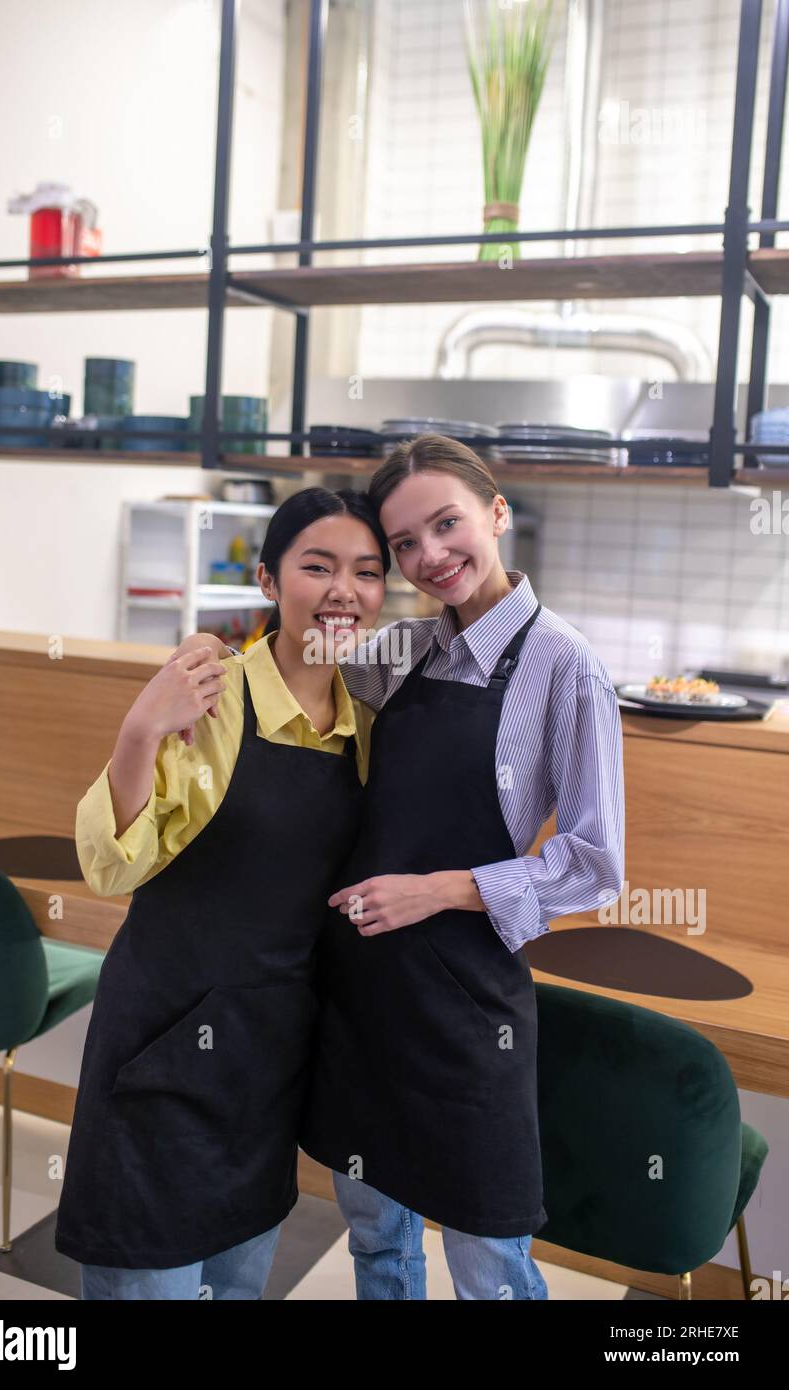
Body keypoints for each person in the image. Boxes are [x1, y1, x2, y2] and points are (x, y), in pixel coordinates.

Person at [179, 433, 625, 1301]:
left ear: (497, 513)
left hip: (465, 1010)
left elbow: (595, 864)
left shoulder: (563, 664)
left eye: (447, 524)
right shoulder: (405, 649)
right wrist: (207, 657)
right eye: (406, 545)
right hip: (360, 995)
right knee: (378, 1246)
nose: (431, 557)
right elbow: (293, 665)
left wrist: (442, 890)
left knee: (491, 1267)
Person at [54, 487, 389, 1299]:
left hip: (266, 1064)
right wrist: (139, 731)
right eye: (317, 566)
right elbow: (111, 864)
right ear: (270, 582)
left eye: (367, 572)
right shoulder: (211, 696)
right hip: (163, 1044)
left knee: (238, 1284)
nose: (344, 590)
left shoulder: (370, 723)